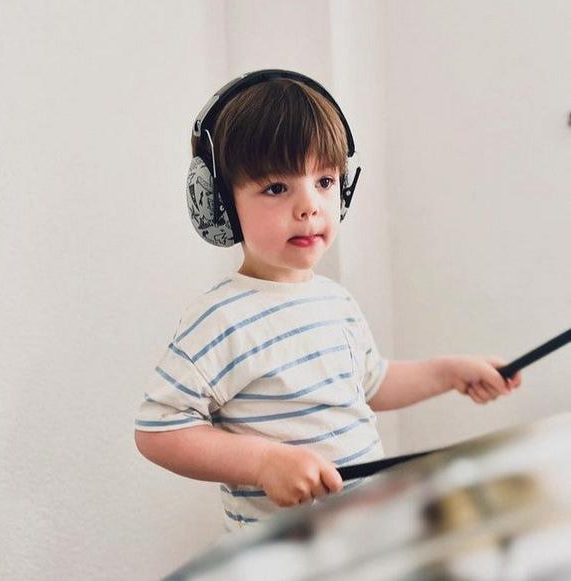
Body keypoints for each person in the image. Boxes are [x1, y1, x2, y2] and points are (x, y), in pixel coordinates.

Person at [133, 70, 522, 531]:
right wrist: (263, 463)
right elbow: (158, 431)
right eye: (277, 188)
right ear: (218, 203)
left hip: (361, 538)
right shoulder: (222, 319)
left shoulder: (336, 301)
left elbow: (372, 385)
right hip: (283, 557)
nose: (310, 206)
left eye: (325, 181)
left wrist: (450, 373)